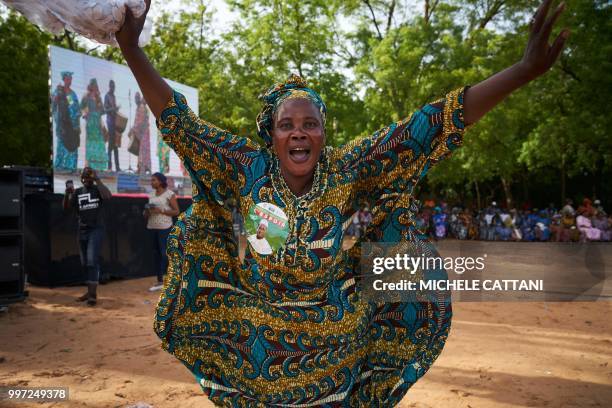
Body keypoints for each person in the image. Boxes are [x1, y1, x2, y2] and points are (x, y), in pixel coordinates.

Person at [116, 0, 569, 404]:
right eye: (286, 124)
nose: (298, 131)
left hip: (337, 366)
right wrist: (132, 51)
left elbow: (431, 123)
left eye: (309, 123)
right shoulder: (243, 167)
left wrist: (522, 72)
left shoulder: (350, 169)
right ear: (271, 136)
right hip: (256, 366)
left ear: (323, 133)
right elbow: (179, 119)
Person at [63, 167, 112, 306]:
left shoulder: (98, 189)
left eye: (88, 175)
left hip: (96, 229)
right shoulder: (78, 192)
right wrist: (67, 195)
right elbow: (66, 209)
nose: (86, 178)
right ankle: (90, 291)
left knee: (91, 261)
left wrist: (97, 179)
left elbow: (108, 196)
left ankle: (92, 295)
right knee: (85, 263)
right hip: (82, 230)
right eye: (84, 176)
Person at [144, 172, 180, 292]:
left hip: (165, 228)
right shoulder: (150, 195)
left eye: (153, 180)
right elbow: (145, 214)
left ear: (160, 181)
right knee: (156, 255)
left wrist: (161, 210)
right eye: (151, 180)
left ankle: (173, 278)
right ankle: (160, 281)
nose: (151, 182)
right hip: (152, 227)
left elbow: (176, 211)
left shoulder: (170, 194)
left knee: (165, 254)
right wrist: (147, 211)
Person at [52, 71, 81, 171]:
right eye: (68, 79)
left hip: (72, 124)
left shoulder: (71, 94)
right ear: (64, 79)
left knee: (72, 143)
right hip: (62, 124)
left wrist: (76, 121)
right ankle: (60, 165)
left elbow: (73, 107)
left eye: (71, 79)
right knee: (62, 143)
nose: (70, 81)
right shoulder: (59, 90)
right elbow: (53, 103)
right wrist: (57, 95)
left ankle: (70, 166)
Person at [80, 78, 107, 170]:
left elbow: (103, 111)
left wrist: (100, 107)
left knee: (99, 142)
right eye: (93, 85)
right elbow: (82, 108)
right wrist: (85, 114)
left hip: (98, 123)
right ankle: (89, 165)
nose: (95, 87)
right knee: (90, 143)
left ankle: (99, 166)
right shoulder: (86, 96)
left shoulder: (98, 98)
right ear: (90, 86)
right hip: (90, 122)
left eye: (96, 85)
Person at [104, 79, 122, 171]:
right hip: (110, 122)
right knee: (111, 145)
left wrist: (116, 110)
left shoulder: (113, 96)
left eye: (114, 87)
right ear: (109, 86)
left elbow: (113, 110)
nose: (113, 88)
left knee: (115, 145)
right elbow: (105, 110)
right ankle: (109, 166)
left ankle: (117, 167)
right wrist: (114, 109)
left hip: (115, 123)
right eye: (112, 87)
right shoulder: (107, 96)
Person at [134, 92, 151, 174]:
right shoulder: (144, 107)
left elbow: (140, 122)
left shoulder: (142, 107)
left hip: (144, 133)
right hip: (145, 133)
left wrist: (134, 129)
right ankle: (144, 167)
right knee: (144, 150)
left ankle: (142, 168)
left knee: (142, 150)